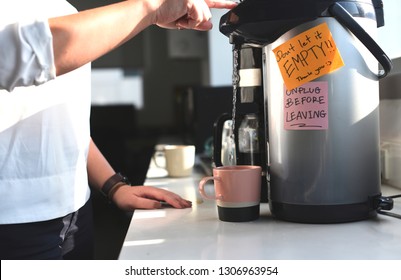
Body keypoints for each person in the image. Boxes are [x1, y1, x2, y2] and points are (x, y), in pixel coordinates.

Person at [0, 0, 237, 259]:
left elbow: (66, 124)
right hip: (14, 222)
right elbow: (34, 50)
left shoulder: (62, 8)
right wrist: (152, 8)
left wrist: (115, 185)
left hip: (76, 210)